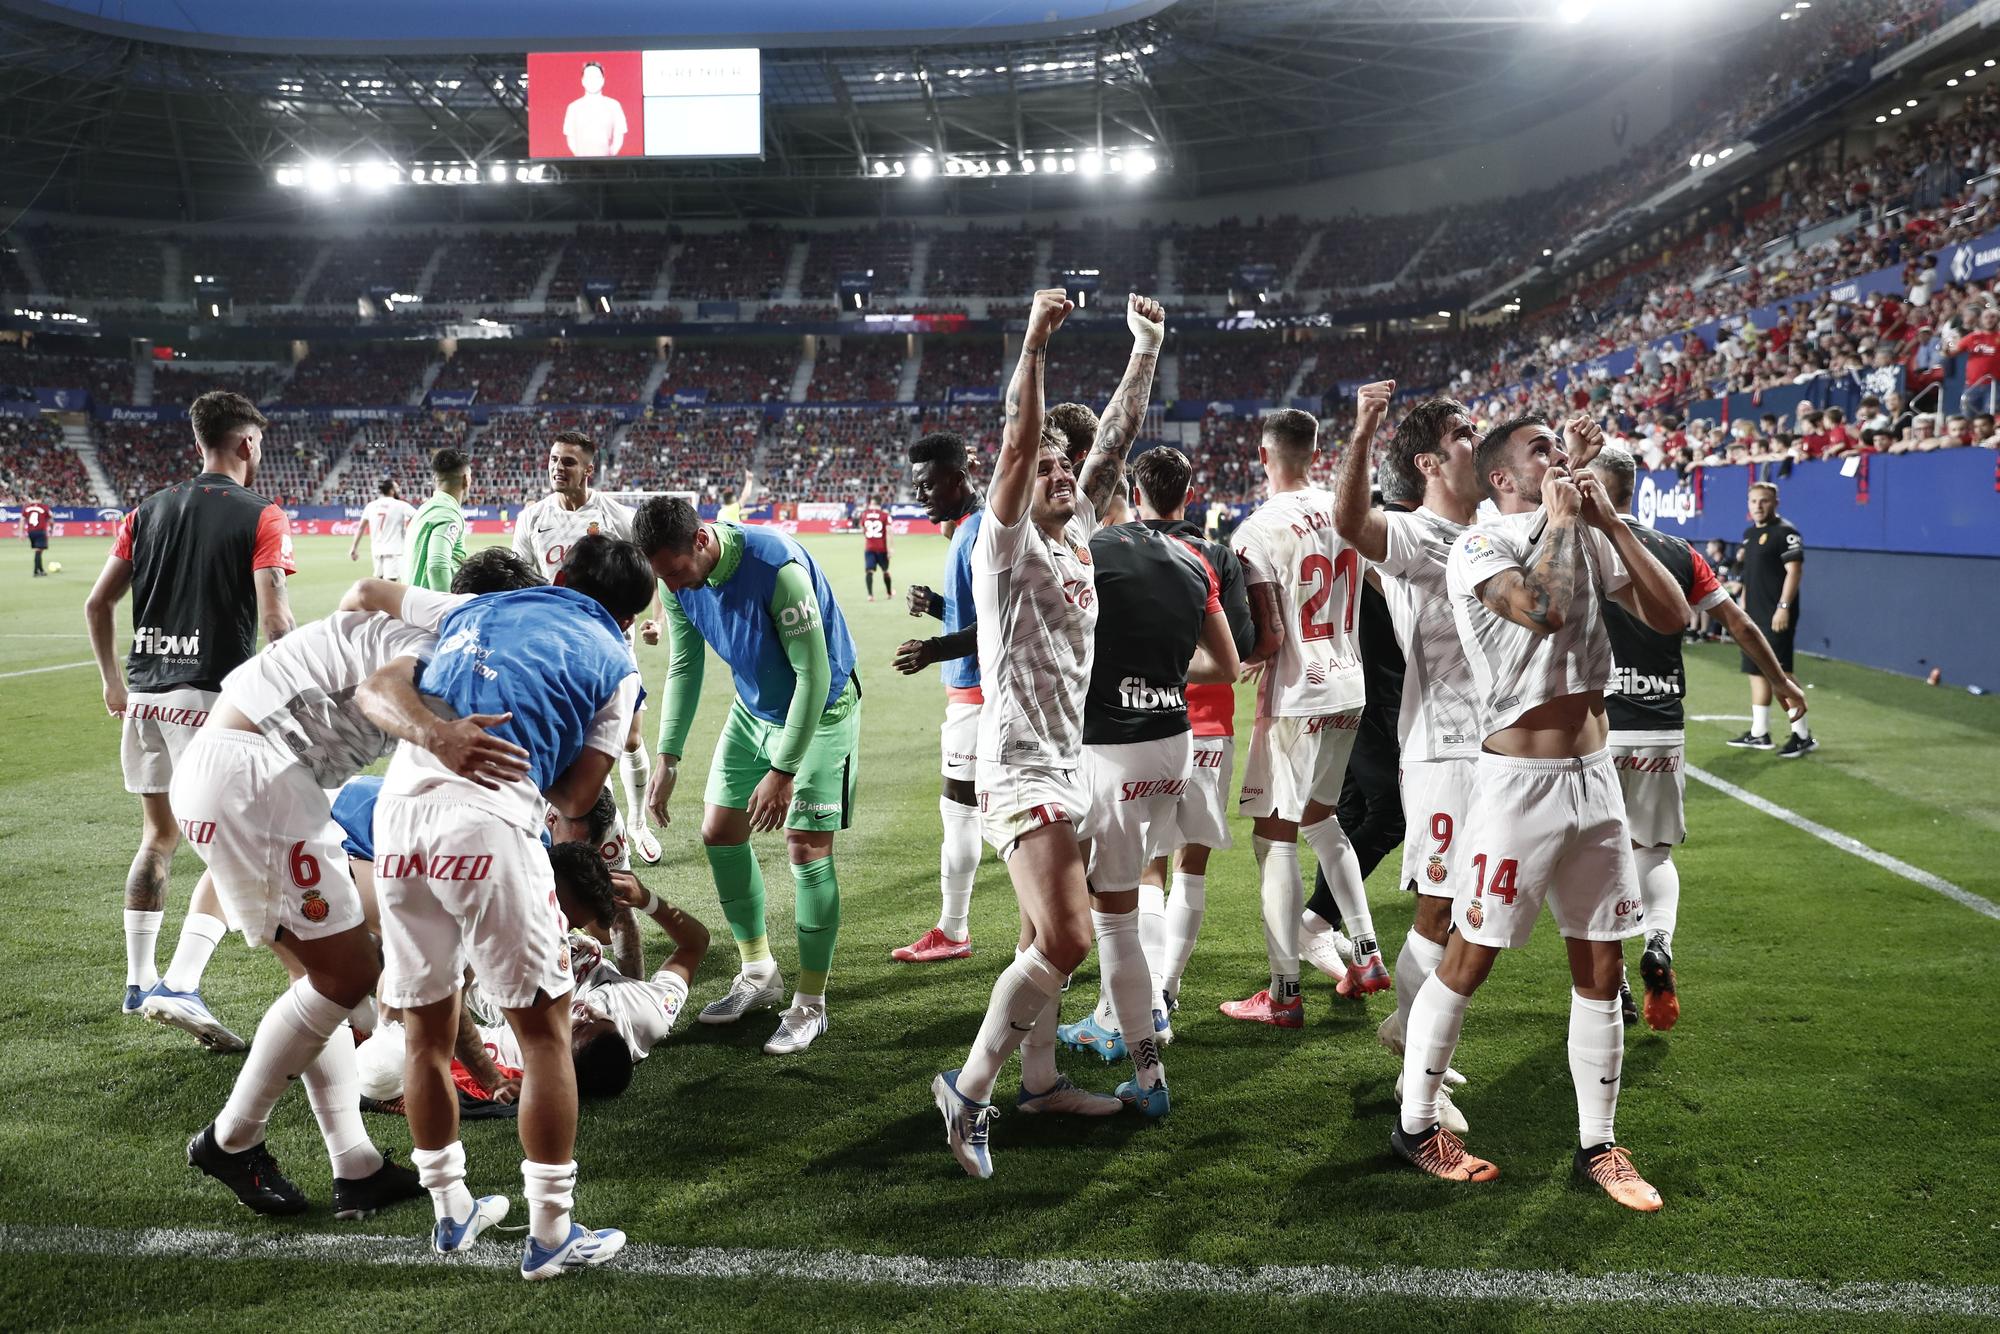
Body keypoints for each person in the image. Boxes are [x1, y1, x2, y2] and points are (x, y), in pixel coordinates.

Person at [171, 555, 547, 1220]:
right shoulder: (444, 644)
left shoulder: (419, 624)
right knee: (344, 977)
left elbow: (364, 591)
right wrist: (438, 733)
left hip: (245, 768)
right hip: (256, 775)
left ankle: (357, 1165)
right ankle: (232, 1139)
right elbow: (381, 687)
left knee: (325, 982)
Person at [1395, 412, 1689, 1212]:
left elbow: (1675, 616)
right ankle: (1417, 1123)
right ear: (1502, 478)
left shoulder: (1588, 529)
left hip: (1595, 778)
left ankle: (1600, 1142)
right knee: (1472, 955)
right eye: (1540, 452)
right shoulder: (1479, 546)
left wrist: (1613, 522)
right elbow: (1544, 609)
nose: (1558, 459)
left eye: (1560, 448)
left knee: (1601, 965)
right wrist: (1565, 518)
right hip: (1516, 785)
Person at [358, 533, 653, 1279]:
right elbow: (576, 797)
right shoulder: (618, 665)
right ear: (626, 618)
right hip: (486, 824)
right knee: (547, 1031)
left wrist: (437, 731)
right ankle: (551, 1234)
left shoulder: (476, 608)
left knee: (426, 1028)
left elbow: (370, 623)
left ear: (557, 574)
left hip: (397, 819)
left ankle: (451, 1213)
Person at [931, 289, 1164, 1181]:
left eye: (1068, 475)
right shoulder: (1009, 545)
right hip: (1020, 764)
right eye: (1047, 474)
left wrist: (1144, 347)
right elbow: (1024, 442)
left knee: (1042, 942)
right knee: (1068, 939)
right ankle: (971, 1090)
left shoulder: (1076, 536)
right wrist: (1032, 344)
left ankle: (1041, 1083)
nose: (1062, 478)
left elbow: (1111, 439)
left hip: (1065, 762)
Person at [83, 390, 296, 1032]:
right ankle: (182, 983)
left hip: (145, 695)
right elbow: (277, 622)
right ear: (245, 443)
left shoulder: (147, 510)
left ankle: (138, 980)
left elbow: (98, 605)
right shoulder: (263, 515)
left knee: (160, 836)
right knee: (241, 849)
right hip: (209, 701)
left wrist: (113, 683)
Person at [1587, 445, 1806, 1031]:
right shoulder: (1680, 552)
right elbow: (1737, 621)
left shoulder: (1578, 546)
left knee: (1591, 861)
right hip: (1661, 729)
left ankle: (1617, 986)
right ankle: (1658, 943)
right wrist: (1781, 681)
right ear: (1634, 490)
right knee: (1652, 851)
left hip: (1594, 728)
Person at [634, 493, 861, 1057]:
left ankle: (810, 1004)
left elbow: (814, 673)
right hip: (752, 712)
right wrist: (667, 756)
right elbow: (685, 666)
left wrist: (784, 770)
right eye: (665, 577)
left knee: (806, 848)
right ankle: (759, 970)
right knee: (719, 831)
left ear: (703, 541)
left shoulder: (776, 569)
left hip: (821, 710)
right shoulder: (674, 579)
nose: (677, 588)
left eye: (680, 572)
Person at [1327, 384, 1487, 1131]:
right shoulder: (1418, 537)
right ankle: (1413, 1055)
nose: (1477, 439)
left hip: (1500, 750)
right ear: (1427, 461)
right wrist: (1362, 430)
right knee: (1443, 908)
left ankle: (1413, 1033)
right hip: (1445, 749)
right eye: (1464, 433)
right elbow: (1351, 521)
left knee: (1477, 913)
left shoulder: (1490, 529)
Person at [1059, 443, 1239, 1062]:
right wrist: (1162, 671)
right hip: (1179, 738)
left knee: (1111, 902)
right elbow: (1229, 663)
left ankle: (1138, 1035)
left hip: (1115, 744)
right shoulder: (1195, 559)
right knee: (1150, 872)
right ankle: (1150, 1002)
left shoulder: (1092, 556)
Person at [1221, 406, 1386, 1030]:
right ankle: (1367, 955)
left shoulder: (1257, 529)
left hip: (1297, 693)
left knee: (1275, 838)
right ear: (1314, 453)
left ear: (1264, 456)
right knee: (1322, 818)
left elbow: (1264, 631)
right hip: (1348, 682)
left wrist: (1247, 657)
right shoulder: (1349, 513)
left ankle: (1284, 992)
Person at [355, 843, 709, 1106]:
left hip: (477, 947)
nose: (585, 1013)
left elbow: (440, 1025)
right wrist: (648, 900)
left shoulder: (523, 1048)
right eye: (600, 1019)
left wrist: (466, 961)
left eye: (579, 1027)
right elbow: (695, 944)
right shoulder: (646, 1016)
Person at [1128, 446, 1258, 1015]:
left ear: (1137, 495)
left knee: (1146, 864)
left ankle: (1148, 992)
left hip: (1142, 721)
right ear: (1190, 494)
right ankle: (1168, 987)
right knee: (1192, 865)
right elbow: (1246, 646)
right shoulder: (1217, 555)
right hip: (1209, 726)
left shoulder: (1115, 549)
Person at [513, 429, 665, 865]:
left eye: (569, 462)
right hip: (559, 648)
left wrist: (655, 621)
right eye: (555, 460)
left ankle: (636, 824)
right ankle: (610, 829)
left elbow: (648, 571)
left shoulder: (615, 516)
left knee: (631, 738)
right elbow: (524, 579)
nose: (559, 468)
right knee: (587, 743)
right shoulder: (531, 518)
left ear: (589, 469)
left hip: (614, 640)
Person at [890, 430, 986, 963]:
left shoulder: (976, 533)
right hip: (974, 689)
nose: (919, 496)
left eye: (927, 486)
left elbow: (997, 625)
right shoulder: (968, 531)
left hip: (978, 693)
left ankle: (954, 931)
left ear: (956, 479)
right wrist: (937, 606)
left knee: (961, 809)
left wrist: (933, 648)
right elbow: (975, 611)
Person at [1728, 482, 1815, 757]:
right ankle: (1759, 733)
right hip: (1753, 615)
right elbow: (1751, 575)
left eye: (1763, 501)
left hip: (1776, 614)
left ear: (1776, 502)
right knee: (1756, 671)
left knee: (1782, 673)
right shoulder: (1750, 534)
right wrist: (1743, 605)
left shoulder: (1786, 532)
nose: (1757, 506)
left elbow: (1794, 572)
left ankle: (1802, 736)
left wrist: (1784, 607)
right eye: (1753, 501)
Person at [407, 447, 473, 593]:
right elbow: (437, 566)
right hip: (431, 608)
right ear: (466, 480)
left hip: (415, 602)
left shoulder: (425, 510)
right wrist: (448, 608)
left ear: (434, 480)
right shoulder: (447, 513)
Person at [349, 479, 418, 580]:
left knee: (379, 582)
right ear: (391, 491)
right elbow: (418, 516)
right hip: (394, 549)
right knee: (390, 583)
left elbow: (361, 528)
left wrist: (354, 547)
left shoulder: (371, 506)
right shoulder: (401, 505)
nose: (398, 490)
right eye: (397, 488)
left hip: (376, 550)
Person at [562, 61, 628, 158]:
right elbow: (570, 137)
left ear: (603, 80)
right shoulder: (573, 108)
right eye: (589, 77)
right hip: (580, 167)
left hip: (608, 166)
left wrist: (610, 158)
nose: (593, 81)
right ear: (583, 81)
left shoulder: (614, 105)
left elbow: (619, 134)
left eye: (596, 77)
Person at [859, 495, 893, 601]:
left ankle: (870, 595)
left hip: (869, 548)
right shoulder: (885, 515)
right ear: (880, 503)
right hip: (882, 549)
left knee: (869, 571)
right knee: (885, 571)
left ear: (872, 503)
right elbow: (889, 531)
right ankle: (889, 593)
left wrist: (867, 536)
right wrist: (890, 548)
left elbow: (862, 528)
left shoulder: (865, 514)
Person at [22, 494, 50, 576]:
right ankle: (36, 571)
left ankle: (41, 570)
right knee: (38, 550)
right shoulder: (44, 507)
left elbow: (22, 519)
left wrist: (21, 532)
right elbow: (50, 518)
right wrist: (51, 528)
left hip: (31, 532)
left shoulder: (27, 507)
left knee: (39, 550)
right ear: (41, 498)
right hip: (40, 531)